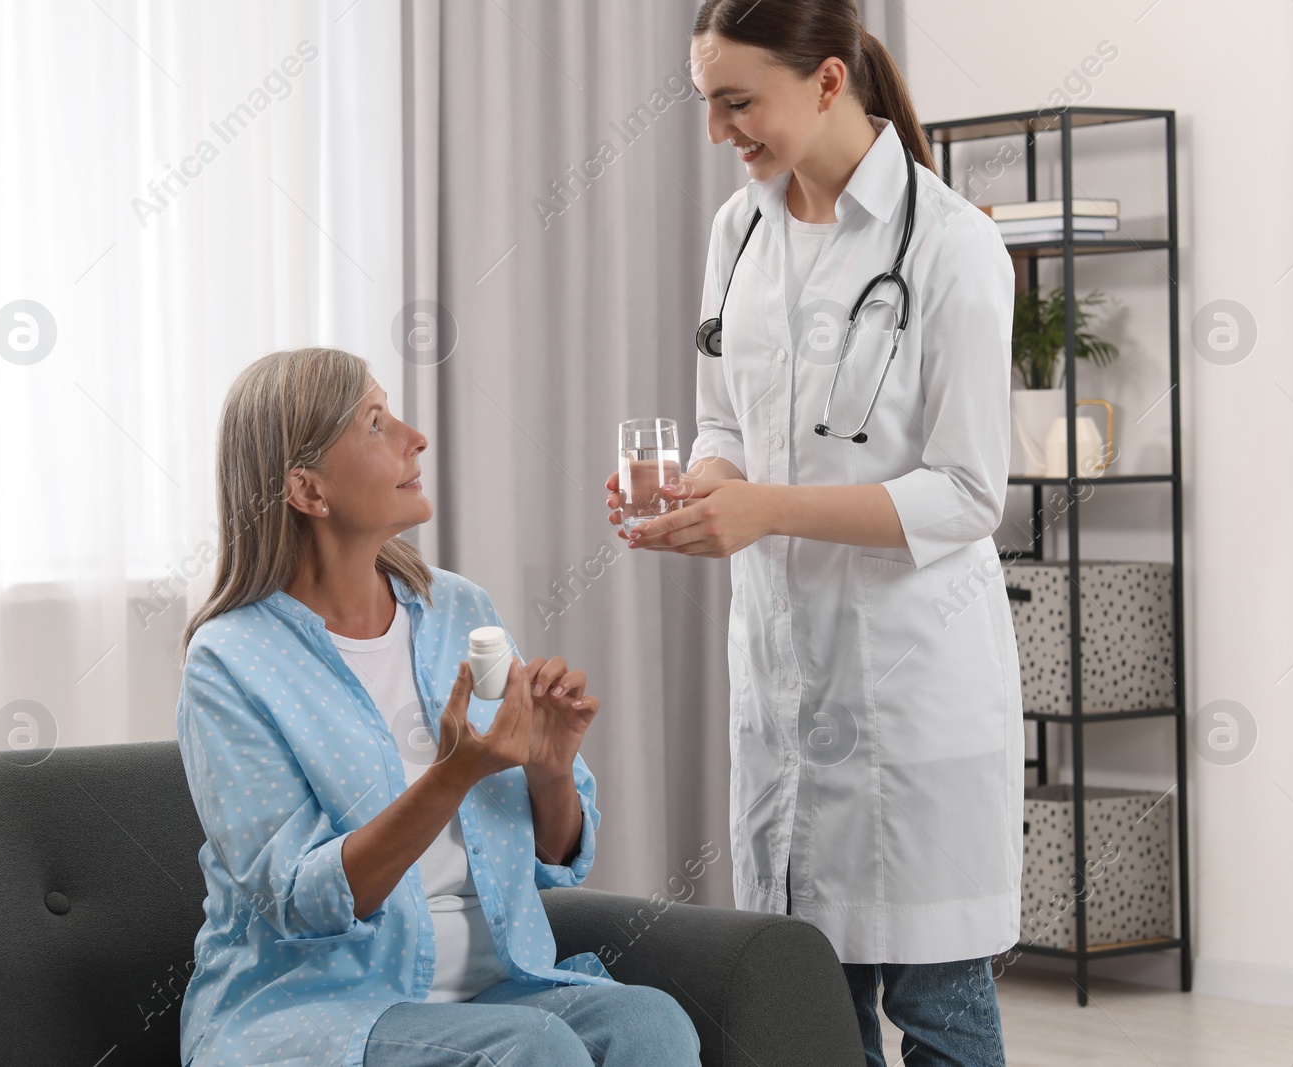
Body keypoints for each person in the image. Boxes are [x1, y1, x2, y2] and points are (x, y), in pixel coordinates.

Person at [606, 4, 1023, 1066]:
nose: (718, 132)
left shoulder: (953, 244)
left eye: (737, 102)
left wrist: (765, 509)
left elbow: (969, 492)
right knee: (808, 1019)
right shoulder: (737, 230)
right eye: (708, 103)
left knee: (941, 1016)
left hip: (909, 690)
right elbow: (722, 423)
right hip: (784, 684)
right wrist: (701, 496)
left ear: (829, 81)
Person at [177, 347, 700, 1067]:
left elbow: (554, 856)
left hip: (498, 988)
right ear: (307, 489)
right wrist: (449, 776)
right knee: (537, 1049)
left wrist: (551, 770)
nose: (413, 435)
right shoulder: (230, 661)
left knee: (652, 1024)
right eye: (373, 423)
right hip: (320, 1008)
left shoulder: (454, 606)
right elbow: (301, 900)